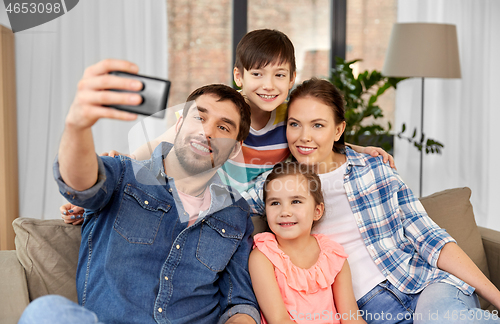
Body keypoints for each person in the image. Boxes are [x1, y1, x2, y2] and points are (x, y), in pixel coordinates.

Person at [61, 29, 394, 226]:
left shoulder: (287, 117)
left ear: (292, 79)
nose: (269, 85)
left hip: (256, 209)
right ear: (240, 76)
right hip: (211, 203)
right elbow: (159, 146)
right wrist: (113, 173)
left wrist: (357, 149)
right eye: (258, 74)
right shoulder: (220, 114)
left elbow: (316, 138)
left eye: (280, 75)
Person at [19, 59, 260, 324]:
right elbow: (80, 183)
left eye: (223, 127)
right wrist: (78, 125)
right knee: (46, 311)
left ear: (235, 148)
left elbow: (238, 304)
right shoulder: (124, 174)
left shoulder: (236, 213)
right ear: (178, 125)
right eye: (199, 117)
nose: (207, 132)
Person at [247, 78, 500, 323]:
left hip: (428, 286)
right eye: (294, 124)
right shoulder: (278, 185)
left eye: (318, 125)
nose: (303, 136)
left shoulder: (374, 168)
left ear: (338, 130)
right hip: (369, 309)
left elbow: (430, 239)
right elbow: (224, 205)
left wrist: (497, 298)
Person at [249, 162, 366, 324]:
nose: (285, 212)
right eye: (275, 203)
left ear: (317, 211)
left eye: (296, 201)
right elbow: (279, 320)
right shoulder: (263, 257)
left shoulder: (333, 256)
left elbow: (351, 317)